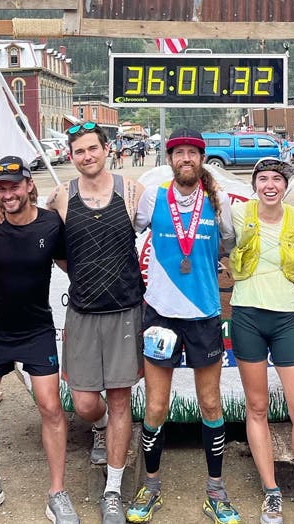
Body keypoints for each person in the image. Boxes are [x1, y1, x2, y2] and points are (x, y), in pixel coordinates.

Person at [0, 121, 144, 523]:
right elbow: (47, 242)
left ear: (107, 149)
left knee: (122, 398)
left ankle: (112, 490)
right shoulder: (61, 197)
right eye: (79, 152)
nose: (87, 156)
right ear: (71, 157)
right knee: (87, 403)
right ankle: (102, 425)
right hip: (83, 311)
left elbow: (165, 231)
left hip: (125, 309)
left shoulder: (133, 192)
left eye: (93, 148)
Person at [126, 127, 239, 524]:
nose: (186, 159)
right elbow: (124, 231)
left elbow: (229, 245)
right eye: (179, 153)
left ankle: (216, 490)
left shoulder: (217, 200)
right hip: (160, 312)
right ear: (170, 159)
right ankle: (151, 486)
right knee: (156, 405)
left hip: (205, 314)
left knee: (210, 402)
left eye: (193, 153)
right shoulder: (154, 198)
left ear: (201, 158)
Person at [0, 156, 76, 523]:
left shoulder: (50, 224)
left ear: (30, 185)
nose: (8, 193)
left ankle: (57, 492)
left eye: (14, 186)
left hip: (37, 331)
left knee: (50, 407)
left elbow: (71, 265)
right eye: (1, 188)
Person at [227, 158, 294, 524]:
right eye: (263, 178)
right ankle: (271, 491)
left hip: (285, 319)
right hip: (247, 316)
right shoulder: (237, 214)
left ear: (286, 185)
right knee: (257, 409)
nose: (270, 185)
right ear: (255, 183)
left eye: (277, 179)